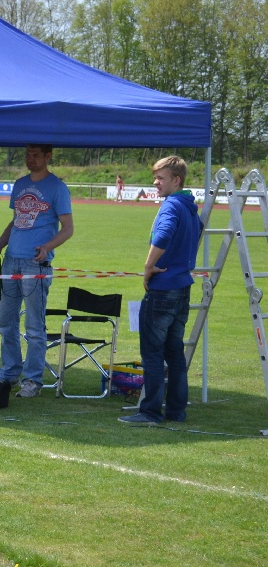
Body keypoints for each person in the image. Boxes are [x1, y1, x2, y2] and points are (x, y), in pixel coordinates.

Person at [0, 144, 74, 398]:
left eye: (35, 155)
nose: (30, 159)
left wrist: (47, 247)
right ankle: (9, 373)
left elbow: (68, 228)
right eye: (27, 155)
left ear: (48, 157)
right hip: (11, 261)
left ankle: (32, 380)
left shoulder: (57, 187)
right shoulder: (20, 184)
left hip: (35, 264)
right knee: (5, 322)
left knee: (34, 326)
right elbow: (16, 221)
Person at [120, 156, 201, 426]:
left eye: (160, 178)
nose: (155, 182)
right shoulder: (190, 207)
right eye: (155, 177)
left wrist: (148, 266)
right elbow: (196, 233)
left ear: (176, 180)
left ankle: (150, 412)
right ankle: (176, 411)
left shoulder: (172, 205)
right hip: (182, 288)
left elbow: (163, 235)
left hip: (163, 289)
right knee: (175, 354)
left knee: (153, 354)